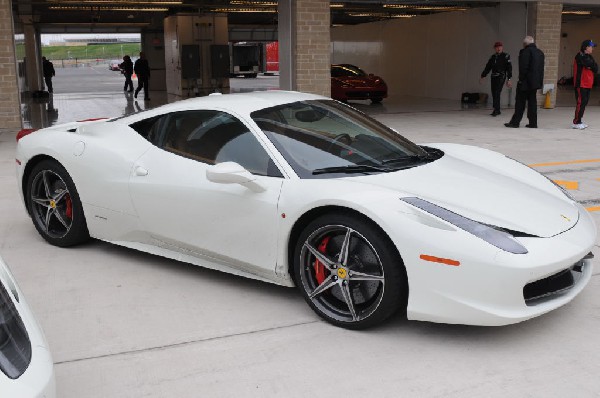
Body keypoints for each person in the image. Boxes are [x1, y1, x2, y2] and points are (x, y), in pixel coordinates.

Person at [505, 36, 545, 128]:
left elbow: (523, 68)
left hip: (525, 82)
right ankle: (533, 123)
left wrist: (521, 80)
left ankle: (515, 122)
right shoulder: (540, 53)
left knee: (520, 102)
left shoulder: (525, 52)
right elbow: (541, 69)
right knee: (532, 103)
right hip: (535, 83)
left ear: (525, 44)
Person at [480, 41, 512, 116]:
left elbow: (509, 68)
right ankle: (497, 109)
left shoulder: (506, 56)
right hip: (493, 76)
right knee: (494, 93)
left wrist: (509, 79)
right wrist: (483, 76)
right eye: (497, 47)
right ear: (495, 48)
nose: (498, 48)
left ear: (502, 47)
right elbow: (488, 67)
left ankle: (496, 110)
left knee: (497, 92)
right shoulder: (493, 57)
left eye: (500, 47)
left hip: (501, 76)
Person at [572, 39, 598, 130]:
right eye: (591, 47)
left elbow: (595, 68)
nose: (592, 49)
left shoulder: (589, 56)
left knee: (584, 102)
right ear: (586, 47)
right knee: (580, 102)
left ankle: (580, 120)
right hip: (581, 84)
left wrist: (591, 66)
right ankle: (576, 122)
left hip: (588, 83)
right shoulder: (579, 56)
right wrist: (591, 65)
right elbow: (588, 63)